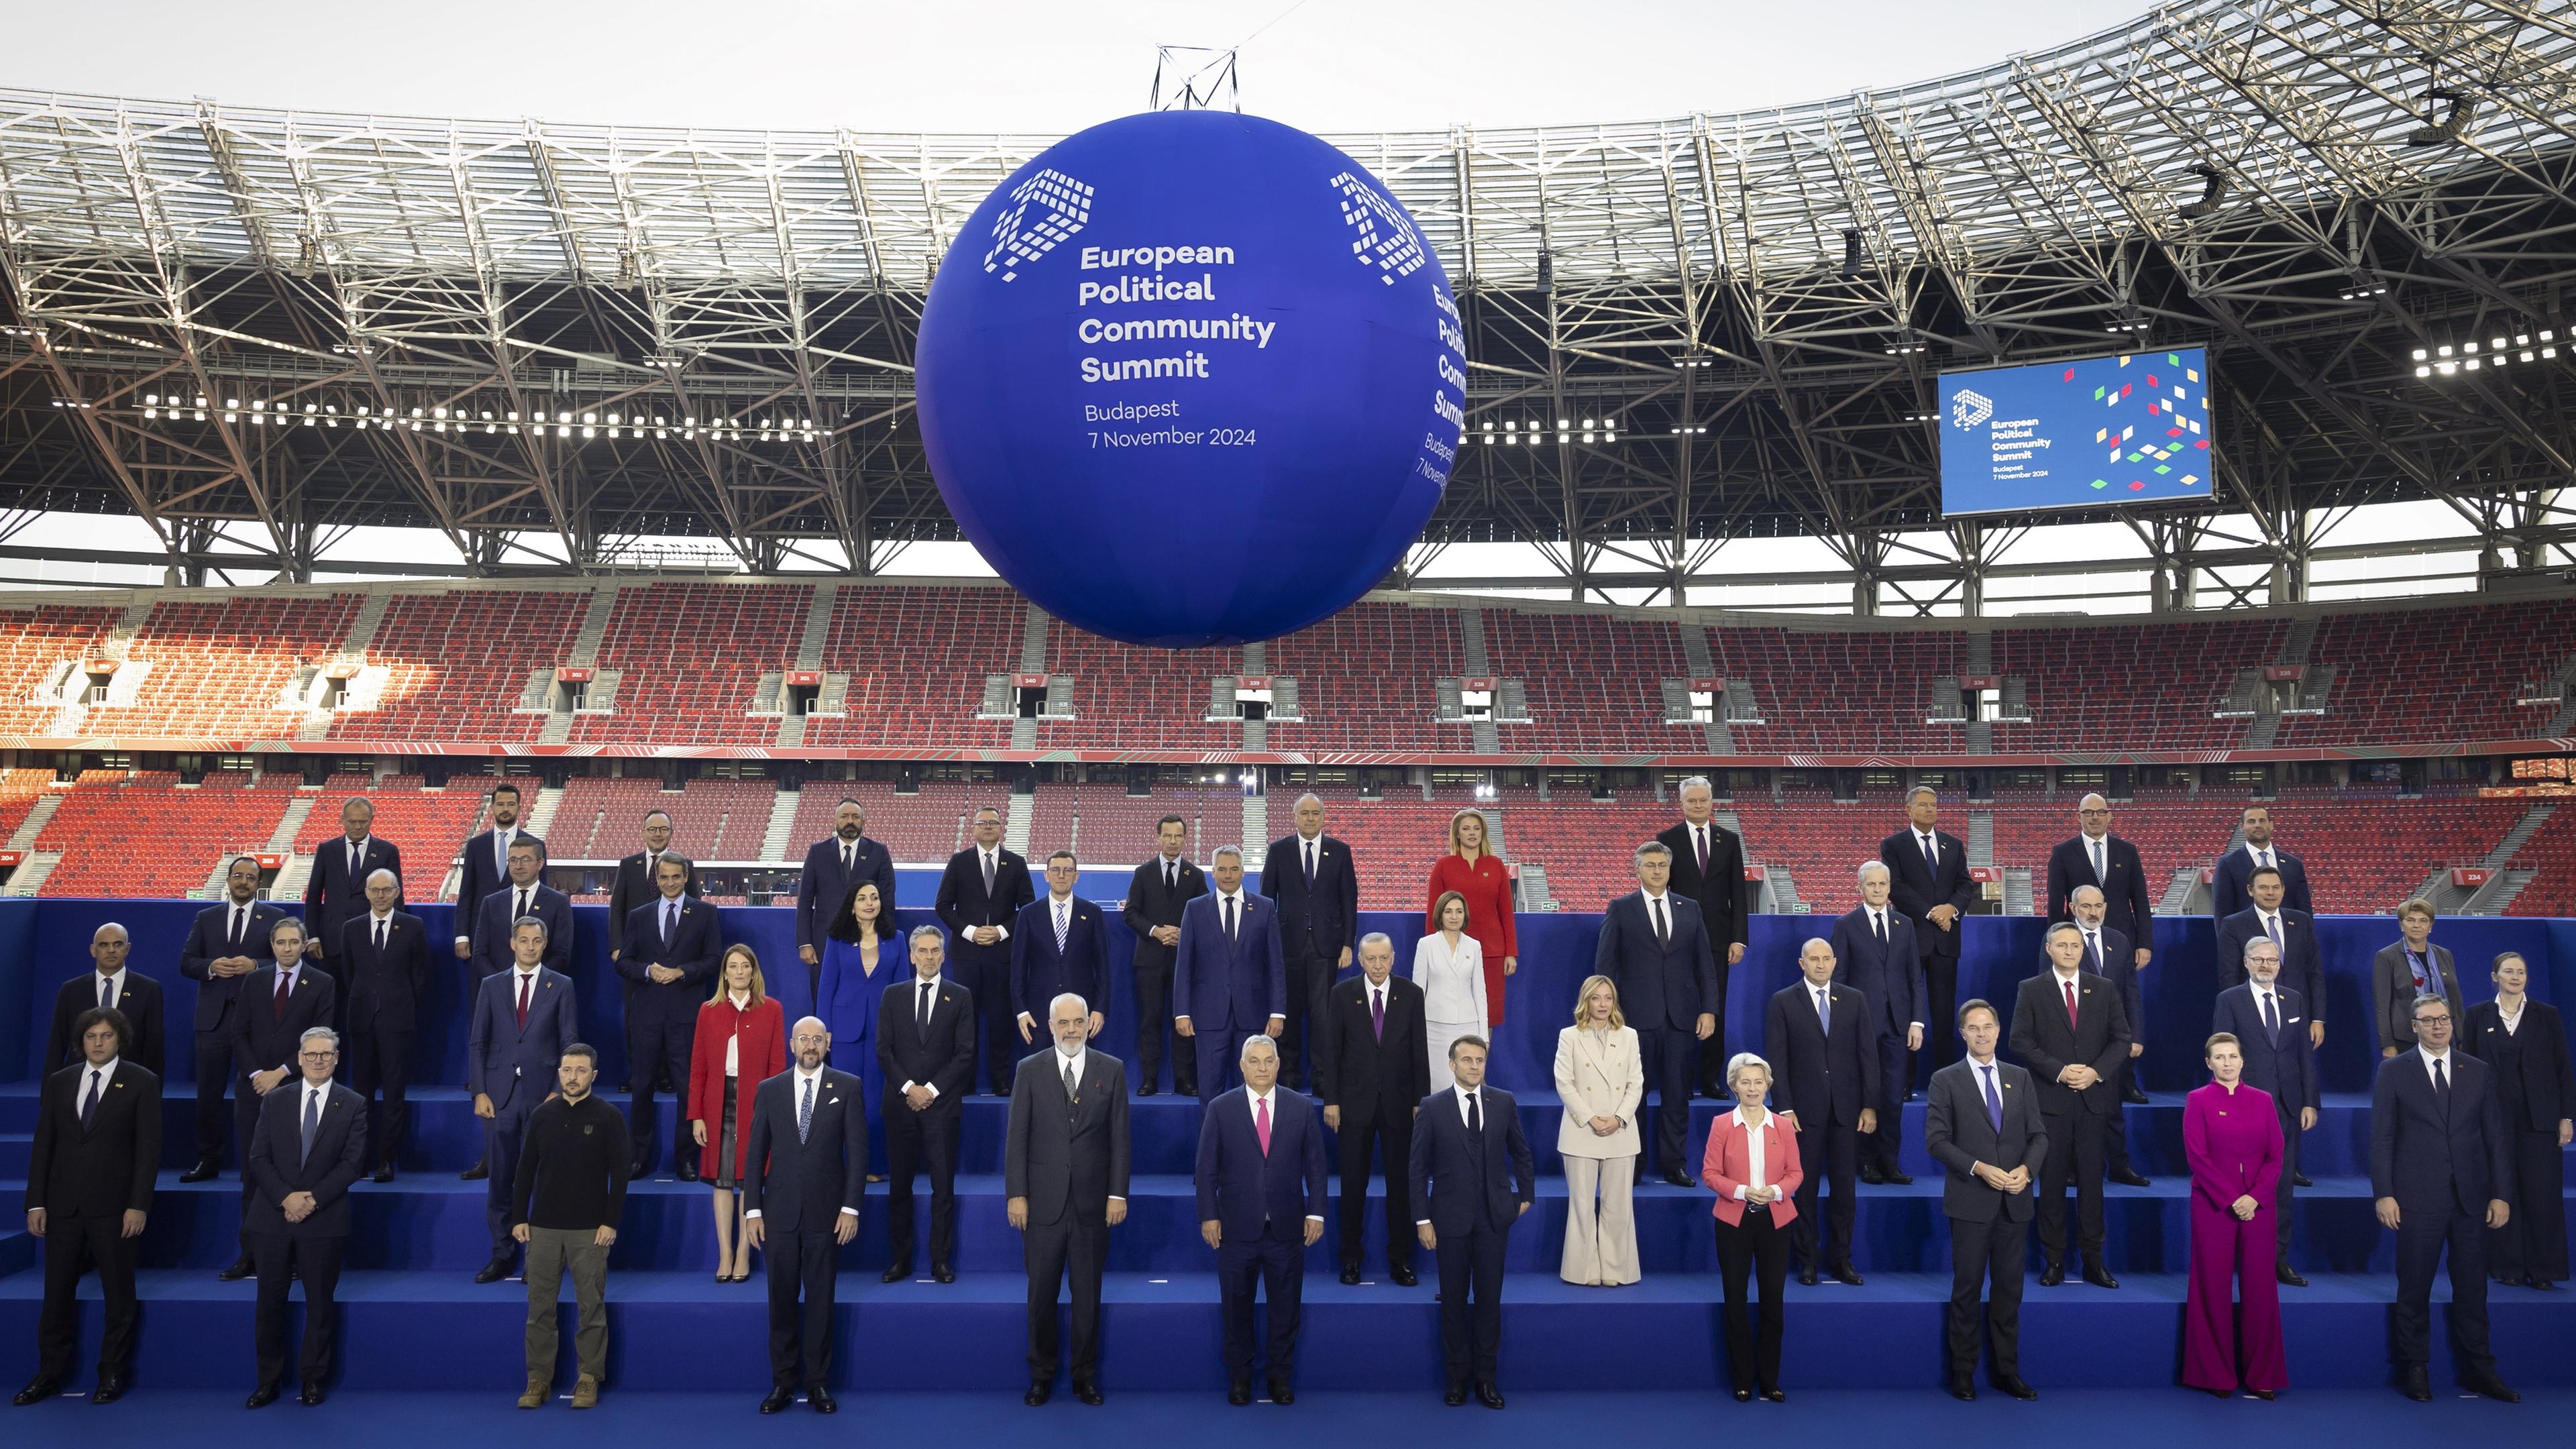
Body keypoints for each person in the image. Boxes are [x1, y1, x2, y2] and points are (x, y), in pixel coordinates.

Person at [2369, 996, 2518, 1402]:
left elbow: (2495, 1139)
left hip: (2472, 1199)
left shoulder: (2478, 1071)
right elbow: (2381, 1139)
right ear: (2413, 1025)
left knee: (2473, 1290)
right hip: (2416, 1198)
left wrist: (2501, 1195)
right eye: (2429, 1020)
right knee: (2414, 1288)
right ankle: (2415, 1367)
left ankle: (2480, 1370)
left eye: (2444, 1019)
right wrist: (2384, 1193)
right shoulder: (2394, 1071)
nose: (2439, 1026)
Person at [15, 1007, 158, 1407]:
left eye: (106, 1036)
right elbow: (44, 1145)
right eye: (91, 1036)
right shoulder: (60, 1082)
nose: (98, 1042)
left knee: (118, 1294)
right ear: (81, 1042)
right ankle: (49, 1374)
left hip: (115, 1209)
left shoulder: (141, 1082)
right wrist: (36, 1202)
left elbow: (148, 1152)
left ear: (119, 1040)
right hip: (62, 1207)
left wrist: (138, 1205)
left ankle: (111, 1374)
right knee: (56, 1294)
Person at [1006, 994, 1132, 1407]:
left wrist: (1117, 1194)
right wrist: (1017, 1195)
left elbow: (1120, 1141)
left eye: (1079, 1022)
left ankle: (1085, 1375)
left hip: (1094, 1206)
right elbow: (1017, 1140)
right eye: (1064, 1024)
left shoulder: (1111, 1071)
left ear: (1088, 1025)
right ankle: (1041, 1374)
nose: (1072, 1030)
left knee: (1088, 1297)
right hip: (1041, 1205)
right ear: (1050, 1025)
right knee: (1040, 1295)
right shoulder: (1029, 1070)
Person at [743, 1016, 867, 1415]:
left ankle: (817, 1384)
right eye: (803, 1039)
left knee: (820, 1300)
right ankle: (782, 1382)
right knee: (780, 1300)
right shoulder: (770, 1090)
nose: (810, 1045)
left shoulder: (848, 1086)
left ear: (827, 1043)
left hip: (826, 1216)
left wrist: (850, 1207)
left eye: (817, 1039)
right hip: (777, 1214)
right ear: (792, 1045)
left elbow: (859, 1154)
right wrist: (752, 1209)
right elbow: (754, 1153)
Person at [1195, 1034, 1328, 1404]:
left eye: (1268, 1061)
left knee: (1285, 1310)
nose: (1262, 1068)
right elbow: (1206, 1169)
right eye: (1254, 1061)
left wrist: (1316, 1211)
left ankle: (1279, 1378)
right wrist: (1209, 1216)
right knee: (1236, 1309)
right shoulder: (1221, 1108)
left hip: (1287, 1229)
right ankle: (1239, 1379)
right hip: (1236, 1229)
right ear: (1242, 1066)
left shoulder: (1300, 1107)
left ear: (1278, 1064)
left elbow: (1316, 1167)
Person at [1925, 999, 2045, 1401]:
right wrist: (1978, 1167)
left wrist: (2026, 1171)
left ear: (1998, 1030)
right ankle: (1963, 1373)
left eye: (1988, 1026)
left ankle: (2006, 1372)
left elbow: (2038, 1136)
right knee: (1967, 1289)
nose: (1982, 1034)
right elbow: (1937, 1141)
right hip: (1971, 1201)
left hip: (2015, 1201)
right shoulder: (1945, 1079)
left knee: (2010, 1292)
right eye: (1973, 1028)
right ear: (1963, 1033)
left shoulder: (2020, 1077)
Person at [1409, 1035, 1533, 1409]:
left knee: (1489, 1302)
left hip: (1495, 1219)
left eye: (1480, 1060)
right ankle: (1456, 1380)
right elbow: (1416, 1170)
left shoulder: (1503, 1101)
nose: (1475, 1066)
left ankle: (1486, 1381)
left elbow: (1521, 1153)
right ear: (1452, 1064)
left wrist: (1525, 1198)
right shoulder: (1432, 1107)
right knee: (1453, 1303)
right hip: (1448, 1220)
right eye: (1467, 1060)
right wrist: (1422, 1218)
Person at [245, 1026, 366, 1407]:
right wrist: (286, 1198)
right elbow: (258, 1159)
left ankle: (312, 1380)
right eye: (311, 1055)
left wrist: (310, 1200)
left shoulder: (353, 1103)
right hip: (272, 1218)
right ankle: (268, 1381)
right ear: (299, 1059)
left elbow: (353, 1164)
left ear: (336, 1059)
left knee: (319, 1303)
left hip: (324, 1218)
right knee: (269, 1303)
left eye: (325, 1055)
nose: (318, 1061)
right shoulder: (276, 1101)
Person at [2010, 921, 2132, 1289]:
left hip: (2094, 1103)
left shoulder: (2105, 988)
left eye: (2075, 945)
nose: (2069, 951)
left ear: (2083, 949)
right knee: (2051, 1188)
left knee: (2093, 1187)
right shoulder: (2031, 989)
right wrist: (2060, 1071)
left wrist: (2095, 1072)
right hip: (2051, 1104)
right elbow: (2020, 1040)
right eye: (2061, 945)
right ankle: (2054, 1261)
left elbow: (2122, 1039)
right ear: (2049, 949)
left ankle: (2094, 1262)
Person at [1593, 841, 1719, 1187]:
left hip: (1682, 1018)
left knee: (1677, 1096)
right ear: (1637, 870)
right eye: (1650, 865)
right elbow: (1605, 966)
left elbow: (1705, 967)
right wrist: (1605, 1013)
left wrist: (1709, 1009)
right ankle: (1631, 1164)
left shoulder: (1690, 908)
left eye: (1663, 864)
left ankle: (1674, 1164)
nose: (1658, 870)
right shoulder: (1621, 908)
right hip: (1633, 1019)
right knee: (1632, 1096)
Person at [510, 1044, 629, 1411]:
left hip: (589, 1231)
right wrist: (518, 1217)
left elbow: (621, 1175)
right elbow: (525, 1169)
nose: (572, 1077)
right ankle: (538, 1380)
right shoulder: (543, 1116)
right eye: (566, 1070)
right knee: (539, 1309)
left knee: (590, 1307)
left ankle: (588, 1378)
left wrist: (610, 1222)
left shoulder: (609, 1117)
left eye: (580, 1070)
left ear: (593, 1075)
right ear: (559, 1073)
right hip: (543, 1229)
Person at [223, 918, 337, 1283]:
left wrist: (281, 1073)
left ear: (304, 945)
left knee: (294, 1175)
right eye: (280, 942)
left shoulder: (322, 983)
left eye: (293, 942)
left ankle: (293, 1258)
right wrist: (258, 1075)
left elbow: (322, 1037)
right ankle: (250, 1255)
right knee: (253, 1175)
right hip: (253, 1090)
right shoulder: (253, 981)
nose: (287, 948)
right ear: (271, 946)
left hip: (296, 1091)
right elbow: (239, 1034)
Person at [469, 916, 578, 1283]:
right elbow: (478, 1042)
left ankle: (539, 1260)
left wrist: (558, 1091)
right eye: (524, 940)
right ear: (512, 944)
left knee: (543, 1181)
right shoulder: (491, 985)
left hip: (544, 1097)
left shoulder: (561, 985)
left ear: (544, 945)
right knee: (500, 1179)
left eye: (537, 941)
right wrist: (480, 1091)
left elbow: (569, 1043)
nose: (530, 946)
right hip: (498, 1098)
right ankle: (502, 1255)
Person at [1319, 932, 1428, 1287]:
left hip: (1399, 1106)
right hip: (1353, 1106)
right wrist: (1331, 1100)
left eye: (1384, 959)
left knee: (1401, 1187)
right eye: (1371, 959)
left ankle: (1401, 1259)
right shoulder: (1342, 994)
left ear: (1394, 958)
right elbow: (1331, 1053)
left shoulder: (1412, 995)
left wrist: (1419, 1102)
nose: (1378, 966)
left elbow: (1419, 1054)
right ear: (1361, 961)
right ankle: (1351, 1258)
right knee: (1353, 1187)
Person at [2181, 1032, 2286, 1399]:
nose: (2227, 1063)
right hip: (2213, 1206)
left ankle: (2262, 1376)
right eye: (2219, 1058)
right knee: (2212, 1287)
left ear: (2243, 1060)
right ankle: (2215, 1375)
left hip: (2259, 1208)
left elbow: (2276, 1155)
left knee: (2260, 1288)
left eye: (2233, 1056)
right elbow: (2197, 1158)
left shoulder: (2263, 1101)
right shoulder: (2198, 1100)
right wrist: (2232, 1199)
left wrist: (2254, 1198)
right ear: (2208, 1063)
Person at [1767, 936, 1877, 1285]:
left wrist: (1870, 1105)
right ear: (1802, 964)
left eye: (1826, 958)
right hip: (1802, 1114)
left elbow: (1867, 1057)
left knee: (1846, 1190)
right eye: (1813, 959)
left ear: (1835, 962)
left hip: (1847, 1111)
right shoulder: (1783, 1002)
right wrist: (1784, 1108)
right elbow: (1777, 1060)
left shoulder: (1855, 999)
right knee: (1806, 1190)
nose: (1820, 964)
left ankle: (1842, 1259)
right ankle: (1808, 1260)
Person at [2460, 952, 2573, 1289]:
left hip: (2540, 1120)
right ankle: (2507, 1265)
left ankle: (2544, 1270)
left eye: (2521, 971)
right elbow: (2467, 1067)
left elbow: (2563, 1067)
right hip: (2492, 1119)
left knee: (2543, 1194)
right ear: (2494, 976)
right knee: (2501, 1188)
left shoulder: (2546, 1015)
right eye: (2508, 971)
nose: (2515, 976)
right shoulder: (2477, 1015)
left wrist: (2566, 1116)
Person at [2212, 938, 2319, 1283]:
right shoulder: (2229, 1000)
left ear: (2280, 964)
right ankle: (2243, 1261)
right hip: (2244, 1108)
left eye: (2271, 961)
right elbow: (2221, 1056)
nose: (2265, 966)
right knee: (2241, 1186)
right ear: (2245, 963)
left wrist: (2309, 1101)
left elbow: (2304, 1055)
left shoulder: (2294, 1000)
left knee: (2281, 1187)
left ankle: (2278, 1260)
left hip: (2287, 1108)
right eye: (2258, 960)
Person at [177, 857, 285, 1181]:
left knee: (257, 1095)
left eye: (250, 877)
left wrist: (256, 965)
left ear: (259, 883)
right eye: (238, 875)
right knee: (208, 1096)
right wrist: (210, 968)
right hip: (213, 1021)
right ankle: (208, 1160)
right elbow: (186, 962)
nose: (243, 882)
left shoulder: (276, 917)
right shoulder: (206, 917)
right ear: (227, 879)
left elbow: (286, 959)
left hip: (257, 1022)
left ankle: (257, 1166)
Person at [878, 926, 975, 1283]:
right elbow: (884, 1051)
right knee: (899, 1188)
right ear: (912, 955)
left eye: (936, 951)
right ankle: (900, 1260)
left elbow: (965, 1054)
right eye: (923, 951)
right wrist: (909, 1089)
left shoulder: (960, 996)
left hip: (943, 1107)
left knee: (942, 1189)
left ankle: (940, 1261)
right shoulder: (892, 995)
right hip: (900, 1106)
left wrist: (930, 1090)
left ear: (944, 955)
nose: (930, 957)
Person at [1702, 1053, 1801, 1403]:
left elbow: (1796, 1173)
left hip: (1776, 1221)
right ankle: (1743, 1379)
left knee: (1773, 1303)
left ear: (1769, 1086)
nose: (1753, 1088)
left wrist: (1774, 1192)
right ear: (1734, 1087)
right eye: (1745, 1082)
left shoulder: (1784, 1126)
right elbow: (1710, 1173)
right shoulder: (1721, 1125)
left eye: (1759, 1082)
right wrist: (1744, 1192)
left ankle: (1770, 1380)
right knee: (1736, 1301)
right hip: (1734, 1221)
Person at [621, 853, 718, 1181]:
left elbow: (714, 960)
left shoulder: (706, 913)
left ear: (686, 876)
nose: (671, 883)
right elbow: (624, 962)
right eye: (665, 877)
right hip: (646, 1014)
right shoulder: (639, 915)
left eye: (677, 876)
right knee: (642, 1087)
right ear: (657, 880)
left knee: (688, 1089)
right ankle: (638, 1159)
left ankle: (686, 1160)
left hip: (687, 1015)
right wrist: (649, 970)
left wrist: (681, 972)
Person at [690, 944, 784, 1283]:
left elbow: (777, 1066)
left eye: (746, 966)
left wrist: (774, 1110)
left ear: (754, 971)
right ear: (725, 973)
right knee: (721, 1177)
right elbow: (698, 1066)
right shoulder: (708, 1010)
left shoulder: (772, 1009)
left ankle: (744, 1250)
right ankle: (725, 1253)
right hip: (718, 1100)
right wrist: (696, 1115)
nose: (740, 972)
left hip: (757, 1102)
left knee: (748, 1176)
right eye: (733, 966)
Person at [1829, 862, 1919, 1183]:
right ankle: (1865, 1162)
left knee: (1893, 1099)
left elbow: (1913, 977)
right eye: (1871, 884)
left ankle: (1889, 1163)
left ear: (1890, 886)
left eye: (1883, 884)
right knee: (1864, 1095)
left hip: (1897, 1025)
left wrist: (1917, 1023)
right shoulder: (1846, 925)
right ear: (1860, 888)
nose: (1878, 889)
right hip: (1859, 1026)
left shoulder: (1905, 924)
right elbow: (1837, 980)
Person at [1173, 846, 1286, 1104]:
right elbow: (1184, 965)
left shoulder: (1264, 908)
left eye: (1234, 869)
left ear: (1243, 872)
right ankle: (1210, 1145)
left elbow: (1276, 966)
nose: (1228, 875)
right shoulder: (1195, 909)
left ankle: (1248, 1145)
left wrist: (1278, 1012)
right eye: (1222, 869)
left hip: (1253, 1016)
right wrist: (1182, 1011)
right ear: (1212, 873)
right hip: (1208, 1017)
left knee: (1252, 1094)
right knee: (1209, 1095)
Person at [1262, 793, 1359, 1091]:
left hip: (1326, 946)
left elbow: (1349, 900)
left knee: (1322, 1016)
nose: (1310, 818)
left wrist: (1347, 943)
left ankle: (1321, 1078)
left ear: (1323, 817)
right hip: (1287, 944)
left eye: (1316, 813)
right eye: (1304, 813)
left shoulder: (1340, 851)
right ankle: (1289, 1077)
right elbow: (1267, 899)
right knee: (1287, 1014)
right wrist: (1268, 944)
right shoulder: (1278, 850)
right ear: (1294, 817)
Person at [1661, 775, 1750, 1097]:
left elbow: (1739, 893)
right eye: (1691, 801)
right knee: (1681, 1009)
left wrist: (1739, 938)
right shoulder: (1666, 839)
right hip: (1677, 939)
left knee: (1716, 1008)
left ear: (1713, 802)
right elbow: (1661, 889)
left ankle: (1711, 1079)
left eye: (1703, 800)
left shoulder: (1729, 840)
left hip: (1718, 940)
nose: (1698, 806)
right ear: (1681, 803)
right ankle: (1680, 1079)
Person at [339, 869, 429, 1182]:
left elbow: (420, 975)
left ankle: (386, 1159)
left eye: (386, 890)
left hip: (398, 1020)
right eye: (374, 890)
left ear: (396, 892)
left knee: (394, 1093)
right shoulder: (351, 929)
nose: (380, 895)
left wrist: (400, 1004)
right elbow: (349, 974)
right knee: (359, 1093)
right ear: (366, 893)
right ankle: (358, 1158)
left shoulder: (413, 926)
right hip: (361, 1019)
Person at [937, 804, 1033, 1097]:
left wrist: (1001, 932)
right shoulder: (958, 862)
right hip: (966, 956)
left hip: (1002, 956)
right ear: (974, 828)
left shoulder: (1016, 864)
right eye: (983, 822)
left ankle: (1001, 1080)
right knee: (964, 1020)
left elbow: (1027, 908)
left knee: (1001, 1019)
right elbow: (942, 906)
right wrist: (971, 932)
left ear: (1001, 827)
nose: (988, 827)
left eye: (994, 822)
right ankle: (964, 1080)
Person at [1880, 785, 1974, 1079]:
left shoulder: (1953, 844)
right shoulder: (1894, 844)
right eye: (1923, 805)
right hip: (1911, 939)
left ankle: (1945, 1081)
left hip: (1946, 940)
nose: (1930, 809)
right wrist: (1933, 912)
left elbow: (1965, 884)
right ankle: (1904, 1083)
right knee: (1907, 1013)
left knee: (1945, 1015)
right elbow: (1895, 886)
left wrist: (1951, 909)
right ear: (1908, 809)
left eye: (1934, 805)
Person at [1555, 975, 1642, 1286]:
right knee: (1581, 1206)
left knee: (1618, 1207)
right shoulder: (1570, 1036)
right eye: (1596, 998)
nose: (1603, 1004)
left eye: (1608, 998)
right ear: (1586, 1001)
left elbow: (1636, 1083)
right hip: (1581, 1132)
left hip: (1620, 1132)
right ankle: (1584, 1271)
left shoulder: (1629, 1036)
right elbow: (1564, 1083)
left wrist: (1618, 1118)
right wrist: (1591, 1118)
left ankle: (1617, 1270)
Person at [608, 808, 698, 1092]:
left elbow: (694, 909)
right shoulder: (628, 864)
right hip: (636, 958)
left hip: (676, 957)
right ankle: (638, 1074)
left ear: (671, 833)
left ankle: (669, 1076)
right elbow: (617, 908)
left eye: (663, 829)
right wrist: (617, 948)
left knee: (673, 1020)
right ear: (643, 832)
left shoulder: (684, 865)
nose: (657, 834)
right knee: (635, 1017)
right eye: (652, 829)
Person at [818, 877, 899, 1181]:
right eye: (863, 898)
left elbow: (902, 989)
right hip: (844, 1032)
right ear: (852, 907)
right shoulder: (837, 941)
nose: (870, 903)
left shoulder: (897, 939)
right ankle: (843, 1166)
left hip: (883, 1033)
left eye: (874, 897)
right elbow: (827, 987)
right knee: (845, 1101)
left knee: (877, 1104)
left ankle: (873, 1166)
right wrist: (824, 1032)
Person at [2069, 883, 2155, 1163]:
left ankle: (2119, 1166)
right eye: (2086, 906)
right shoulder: (2062, 940)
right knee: (2075, 1110)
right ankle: (2072, 1168)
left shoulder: (2119, 940)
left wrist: (2136, 1036)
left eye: (2098, 906)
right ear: (2073, 909)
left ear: (2105, 908)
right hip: (2074, 1040)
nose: (2093, 913)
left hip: (2114, 1043)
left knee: (2114, 1110)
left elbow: (2131, 991)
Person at [1123, 815, 1205, 1097]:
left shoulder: (1195, 876)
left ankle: (1185, 1080)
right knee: (1150, 1021)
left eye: (1178, 836)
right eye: (1167, 836)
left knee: (1183, 1020)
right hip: (1149, 961)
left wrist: (1184, 933)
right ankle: (1149, 1079)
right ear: (1157, 837)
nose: (1172, 841)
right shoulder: (1142, 873)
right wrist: (1156, 931)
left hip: (1184, 962)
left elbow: (1205, 915)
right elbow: (1131, 913)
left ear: (1185, 838)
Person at [796, 798, 896, 1002]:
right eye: (845, 816)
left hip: (867, 940)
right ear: (835, 820)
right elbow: (805, 900)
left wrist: (883, 938)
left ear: (863, 821)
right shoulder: (817, 852)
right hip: (824, 942)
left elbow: (887, 899)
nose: (850, 821)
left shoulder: (879, 852)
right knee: (824, 998)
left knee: (862, 999)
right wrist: (805, 943)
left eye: (855, 817)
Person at [1011, 851, 1109, 1055]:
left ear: (1076, 876)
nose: (1061, 875)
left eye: (1068, 870)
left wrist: (1099, 1009)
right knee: (1042, 1076)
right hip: (1039, 1012)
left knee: (1082, 1075)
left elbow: (1103, 967)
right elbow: (1018, 968)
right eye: (1056, 870)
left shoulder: (1092, 914)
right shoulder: (1029, 914)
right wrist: (1021, 1011)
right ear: (1046, 875)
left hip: (1082, 1014)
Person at [2043, 794, 2153, 975]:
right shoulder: (2063, 852)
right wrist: (2058, 942)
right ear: (2079, 816)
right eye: (2088, 812)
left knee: (2121, 997)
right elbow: (2055, 904)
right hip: (2078, 942)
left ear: (2109, 816)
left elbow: (2141, 902)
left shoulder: (2128, 851)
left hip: (2122, 939)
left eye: (2101, 812)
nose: (2095, 817)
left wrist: (2144, 944)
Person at [1425, 809, 1517, 1026]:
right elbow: (1433, 913)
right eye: (1466, 828)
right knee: (1454, 1010)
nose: (1472, 833)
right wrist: (1432, 951)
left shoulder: (1496, 865)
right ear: (1457, 833)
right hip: (1452, 950)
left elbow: (1506, 912)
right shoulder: (1443, 866)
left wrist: (1510, 952)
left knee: (1488, 1014)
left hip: (1492, 952)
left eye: (1477, 828)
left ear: (1483, 833)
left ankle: (1481, 1062)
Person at [45, 922, 162, 1076]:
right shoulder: (72, 990)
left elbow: (154, 1048)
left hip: (131, 1082)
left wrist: (153, 1095)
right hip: (79, 1080)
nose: (111, 950)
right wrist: (49, 1095)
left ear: (127, 949)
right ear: (93, 950)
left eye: (118, 944)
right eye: (104, 945)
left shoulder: (148, 989)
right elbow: (57, 1044)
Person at [2216, 867, 2324, 1026]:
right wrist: (2236, 1018)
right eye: (2263, 887)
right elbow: (2229, 977)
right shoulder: (2233, 925)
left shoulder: (2302, 921)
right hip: (2254, 1016)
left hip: (2298, 1015)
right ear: (2250, 890)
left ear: (2283, 890)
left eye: (2275, 888)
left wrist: (2317, 1019)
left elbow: (2315, 972)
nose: (2270, 893)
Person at [303, 795, 398, 966]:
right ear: (342, 820)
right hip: (331, 941)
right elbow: (313, 897)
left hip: (372, 938)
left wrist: (394, 937)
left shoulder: (388, 851)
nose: (357, 827)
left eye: (363, 821)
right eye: (352, 821)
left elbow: (396, 898)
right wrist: (313, 937)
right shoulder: (327, 850)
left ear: (372, 820)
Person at [454, 782, 540, 964]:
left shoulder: (535, 846)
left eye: (511, 804)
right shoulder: (476, 846)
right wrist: (462, 935)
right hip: (480, 934)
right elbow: (466, 893)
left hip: (523, 936)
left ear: (519, 807)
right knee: (482, 989)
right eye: (501, 804)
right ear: (492, 808)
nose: (505, 809)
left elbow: (542, 892)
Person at [1414, 891, 1488, 1095]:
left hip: (1467, 1026)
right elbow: (1417, 991)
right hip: (1433, 1028)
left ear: (1465, 915)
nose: (1454, 917)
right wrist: (1417, 1031)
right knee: (1437, 1087)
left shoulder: (1474, 946)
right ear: (1440, 914)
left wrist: (1483, 1034)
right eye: (1448, 912)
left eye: (1459, 911)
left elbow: (1480, 992)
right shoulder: (1426, 944)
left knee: (1467, 1087)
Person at [2371, 899, 2463, 1060]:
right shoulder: (2386, 957)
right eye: (2410, 920)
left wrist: (2461, 1036)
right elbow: (2382, 1005)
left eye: (2423, 921)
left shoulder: (2444, 954)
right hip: (2406, 1040)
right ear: (2401, 924)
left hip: (2444, 1036)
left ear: (2431, 926)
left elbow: (2455, 1000)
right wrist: (2388, 1044)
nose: (2417, 925)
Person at [470, 839, 572, 981]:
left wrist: (532, 981)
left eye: (526, 860)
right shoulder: (491, 903)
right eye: (513, 860)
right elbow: (480, 953)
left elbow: (561, 954)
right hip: (498, 991)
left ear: (540, 863)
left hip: (541, 991)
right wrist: (501, 982)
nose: (518, 866)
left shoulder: (558, 902)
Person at [2211, 804, 2312, 920]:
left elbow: (2305, 911)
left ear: (2271, 825)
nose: (2258, 825)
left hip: (2289, 937)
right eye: (2251, 821)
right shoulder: (2227, 864)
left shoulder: (2294, 864)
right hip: (2246, 937)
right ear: (2242, 827)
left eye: (2262, 821)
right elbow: (2222, 912)